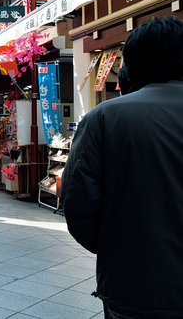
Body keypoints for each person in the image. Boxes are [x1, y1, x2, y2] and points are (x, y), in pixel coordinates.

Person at [62, 16, 183, 319]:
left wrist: (116, 246)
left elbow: (78, 204)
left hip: (136, 285)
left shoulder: (105, 118)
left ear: (132, 65)